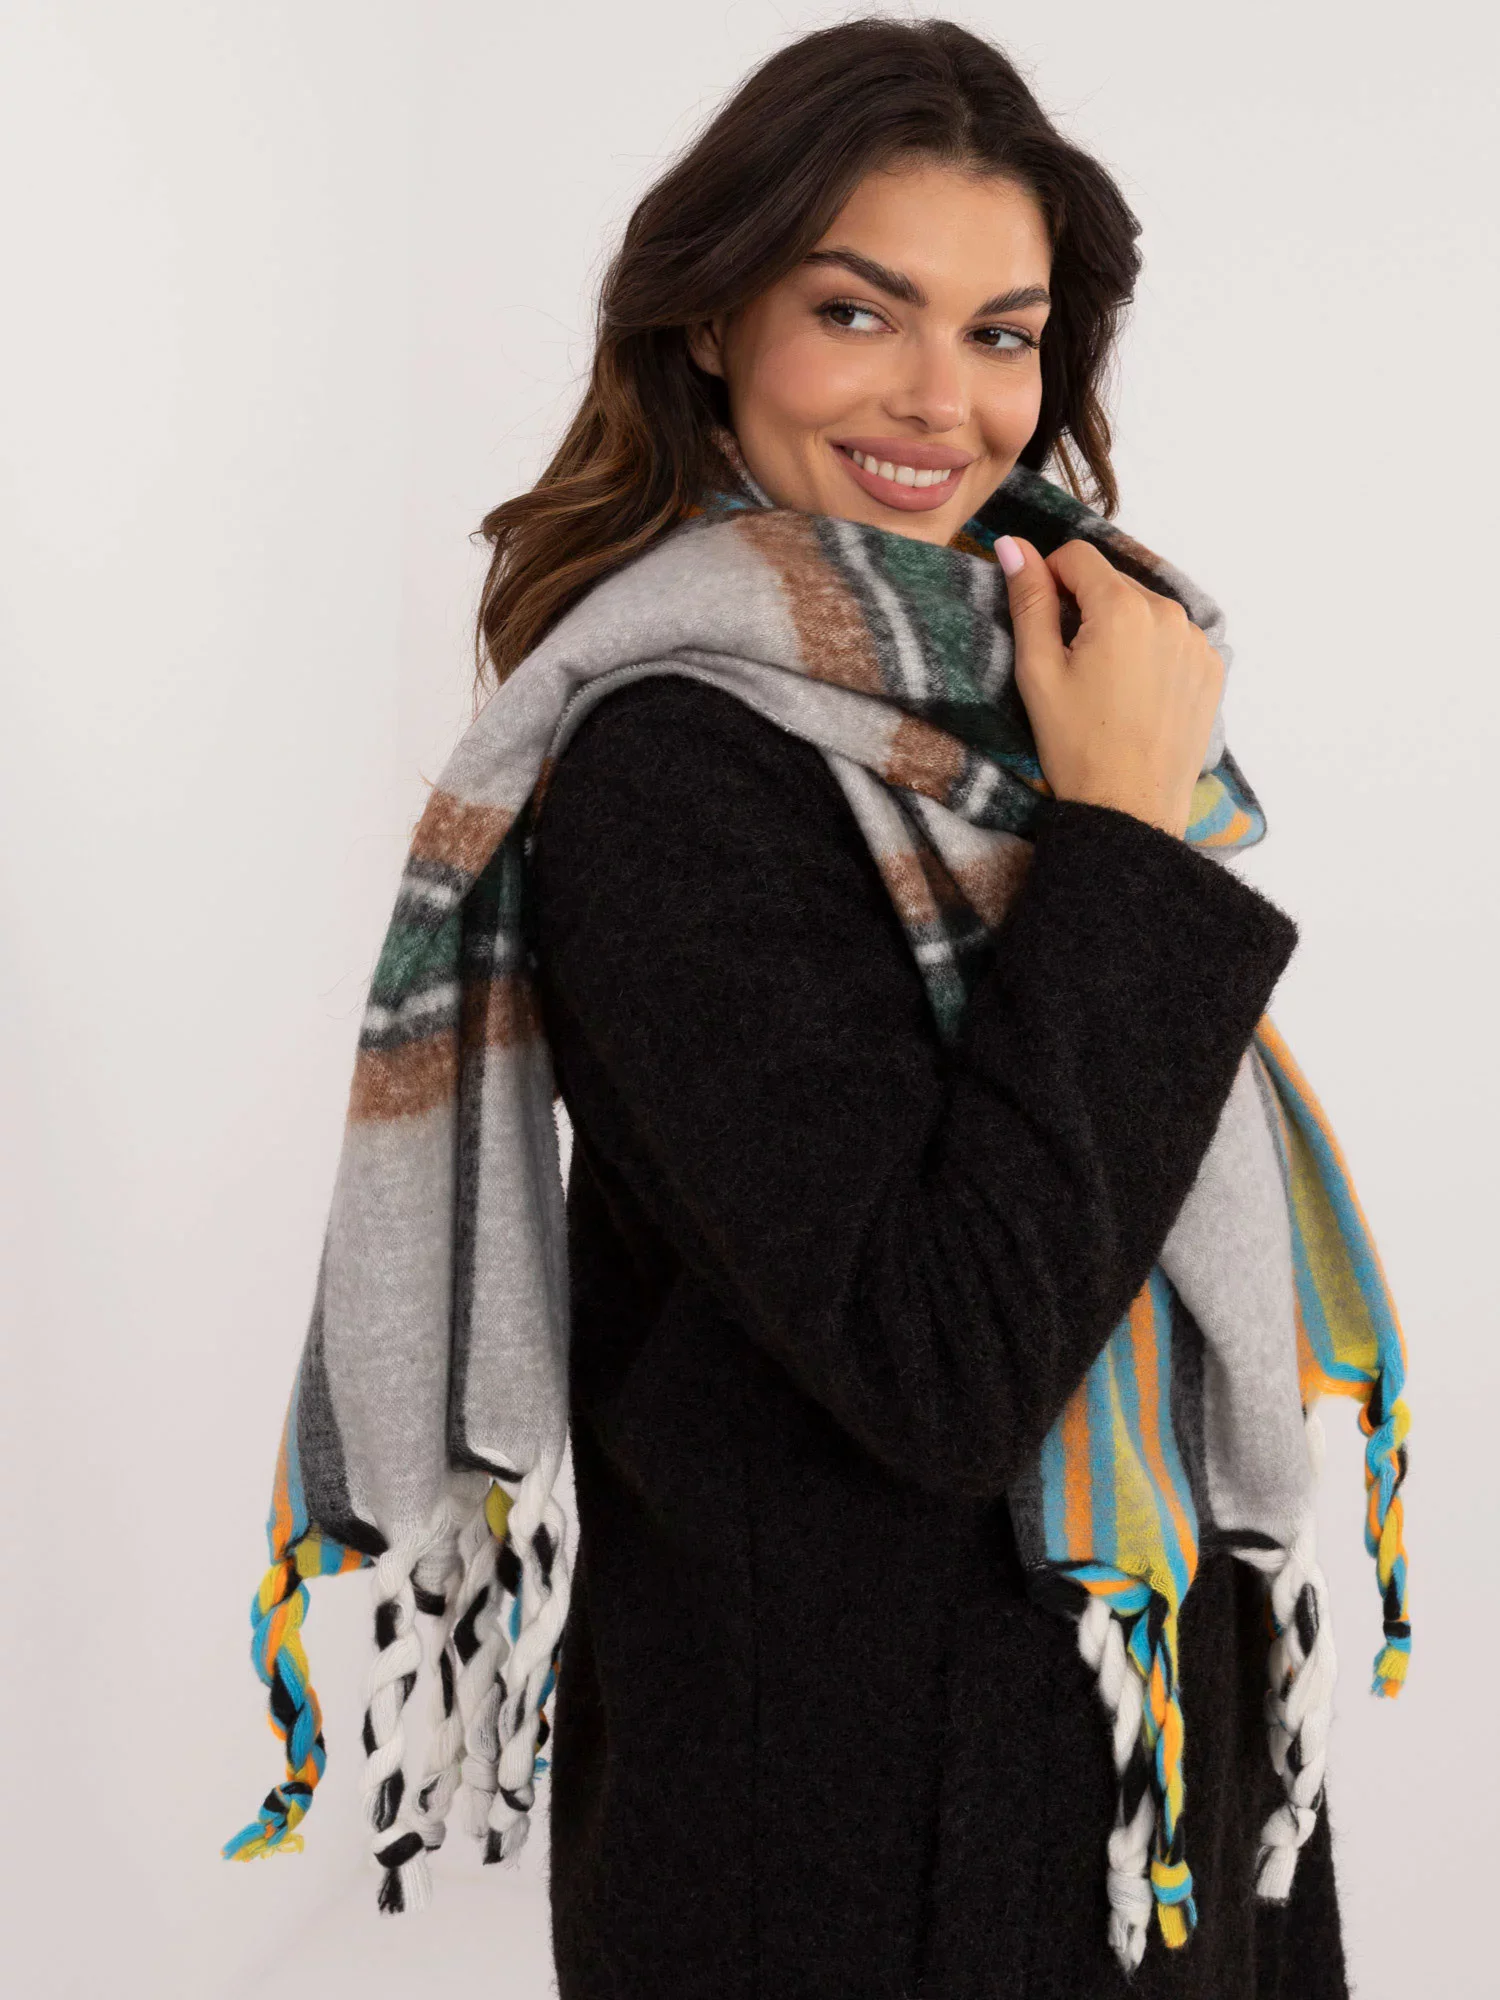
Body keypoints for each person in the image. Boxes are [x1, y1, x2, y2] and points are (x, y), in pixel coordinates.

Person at [473, 18, 1350, 1999]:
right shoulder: (668, 768)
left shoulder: (1022, 702)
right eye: (858, 311)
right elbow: (945, 1365)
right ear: (715, 320)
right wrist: (1121, 840)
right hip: (848, 1844)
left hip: (1146, 1755)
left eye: (1001, 333)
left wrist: (1111, 811)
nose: (941, 401)